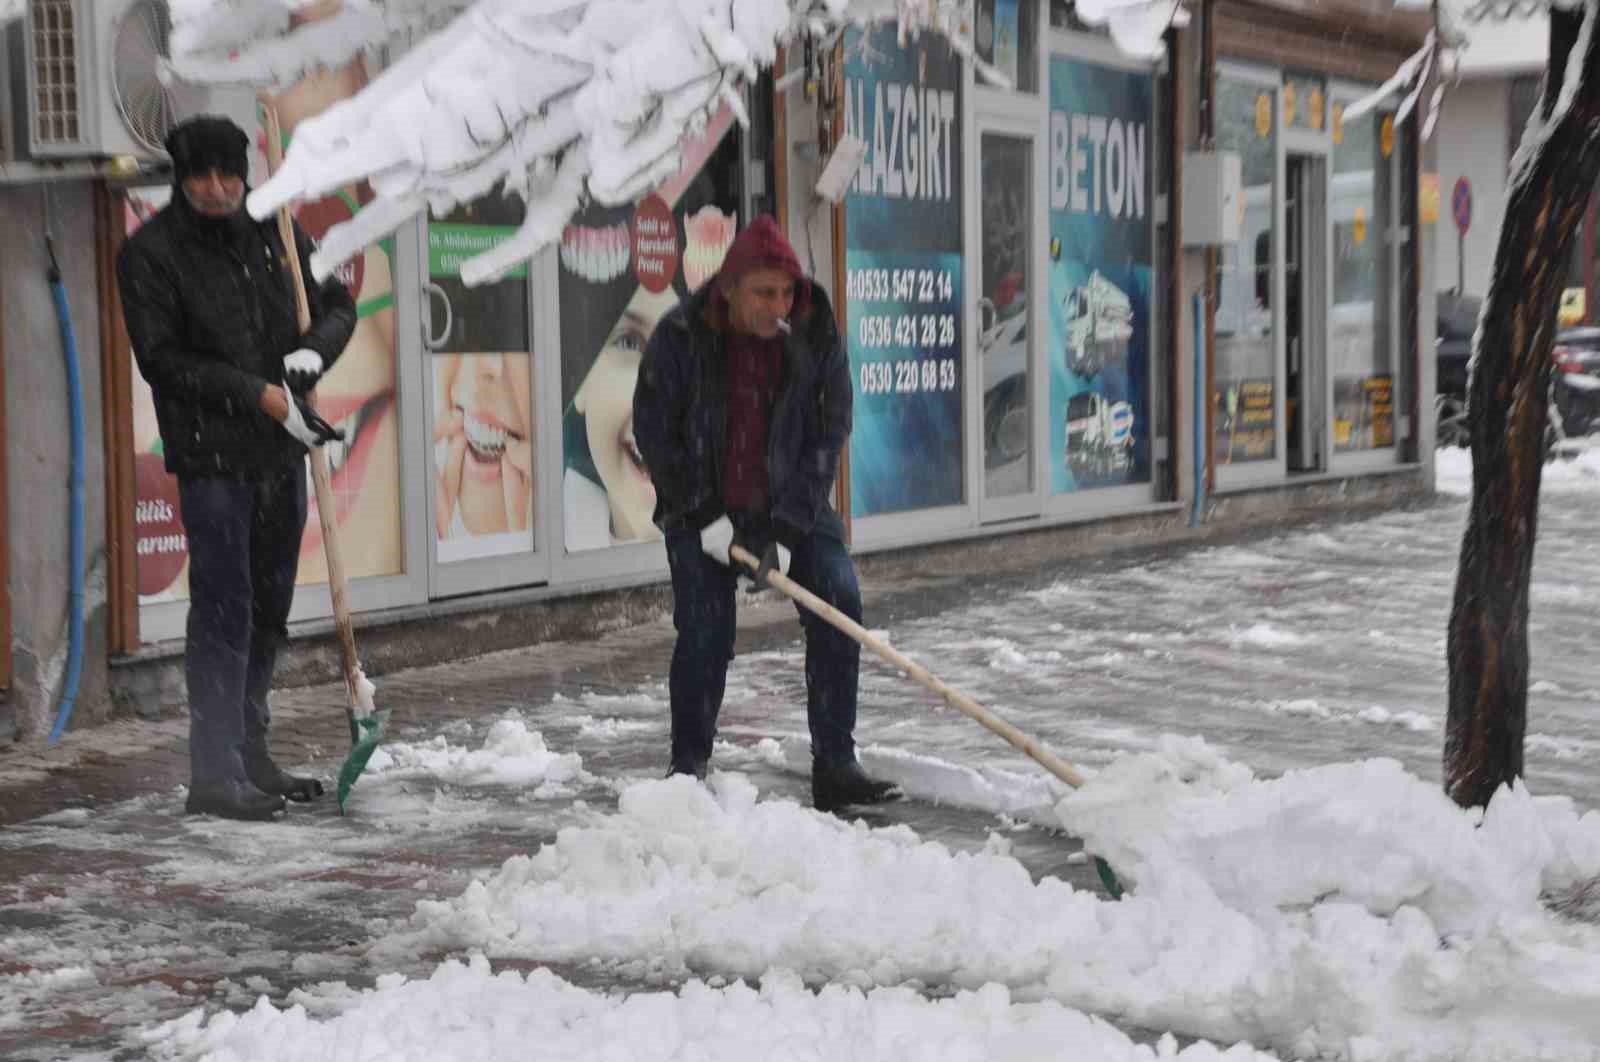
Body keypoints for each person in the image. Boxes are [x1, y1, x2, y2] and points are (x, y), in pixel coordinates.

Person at [117, 115, 356, 821]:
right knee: (225, 609)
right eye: (202, 176)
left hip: (280, 454)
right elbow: (162, 360)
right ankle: (213, 772)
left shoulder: (276, 233)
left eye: (229, 174)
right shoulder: (151, 255)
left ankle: (252, 754)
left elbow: (337, 304)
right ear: (180, 178)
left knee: (270, 607)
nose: (218, 189)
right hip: (212, 457)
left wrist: (312, 356)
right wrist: (258, 394)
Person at [632, 215, 899, 813]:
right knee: (705, 628)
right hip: (701, 504)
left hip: (791, 505)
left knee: (837, 599)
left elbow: (830, 432)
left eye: (786, 291)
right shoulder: (681, 337)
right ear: (730, 287)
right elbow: (654, 431)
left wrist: (784, 530)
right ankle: (687, 770)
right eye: (764, 293)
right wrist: (703, 518)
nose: (779, 305)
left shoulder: (813, 330)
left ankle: (836, 764)